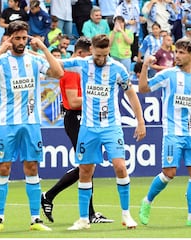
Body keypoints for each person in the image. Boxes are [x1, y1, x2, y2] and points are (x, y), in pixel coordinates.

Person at [0, 20, 63, 232]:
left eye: (24, 38)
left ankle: (35, 219)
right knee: (4, 167)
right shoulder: (2, 60)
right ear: (9, 39)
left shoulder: (34, 60)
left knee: (32, 167)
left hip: (32, 123)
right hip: (7, 123)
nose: (22, 42)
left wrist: (43, 48)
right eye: (17, 38)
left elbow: (58, 73)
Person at [62, 34, 146, 230]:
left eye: (105, 55)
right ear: (91, 50)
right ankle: (83, 219)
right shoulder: (82, 64)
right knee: (85, 170)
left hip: (111, 126)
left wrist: (140, 121)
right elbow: (56, 63)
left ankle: (126, 215)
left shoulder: (118, 68)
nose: (101, 59)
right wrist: (35, 50)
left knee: (120, 166)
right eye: (98, 55)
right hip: (88, 127)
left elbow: (132, 96)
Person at [138, 38, 191, 227]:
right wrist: (144, 67)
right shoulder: (168, 75)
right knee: (169, 173)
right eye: (176, 52)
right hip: (172, 132)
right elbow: (143, 88)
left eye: (182, 52)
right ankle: (147, 201)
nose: (177, 56)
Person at [41, 36, 114, 224]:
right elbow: (73, 102)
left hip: (83, 118)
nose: (94, 59)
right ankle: (51, 196)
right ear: (80, 53)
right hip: (76, 118)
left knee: (88, 165)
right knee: (86, 165)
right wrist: (98, 97)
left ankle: (86, 211)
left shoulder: (81, 70)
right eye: (90, 54)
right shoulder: (73, 72)